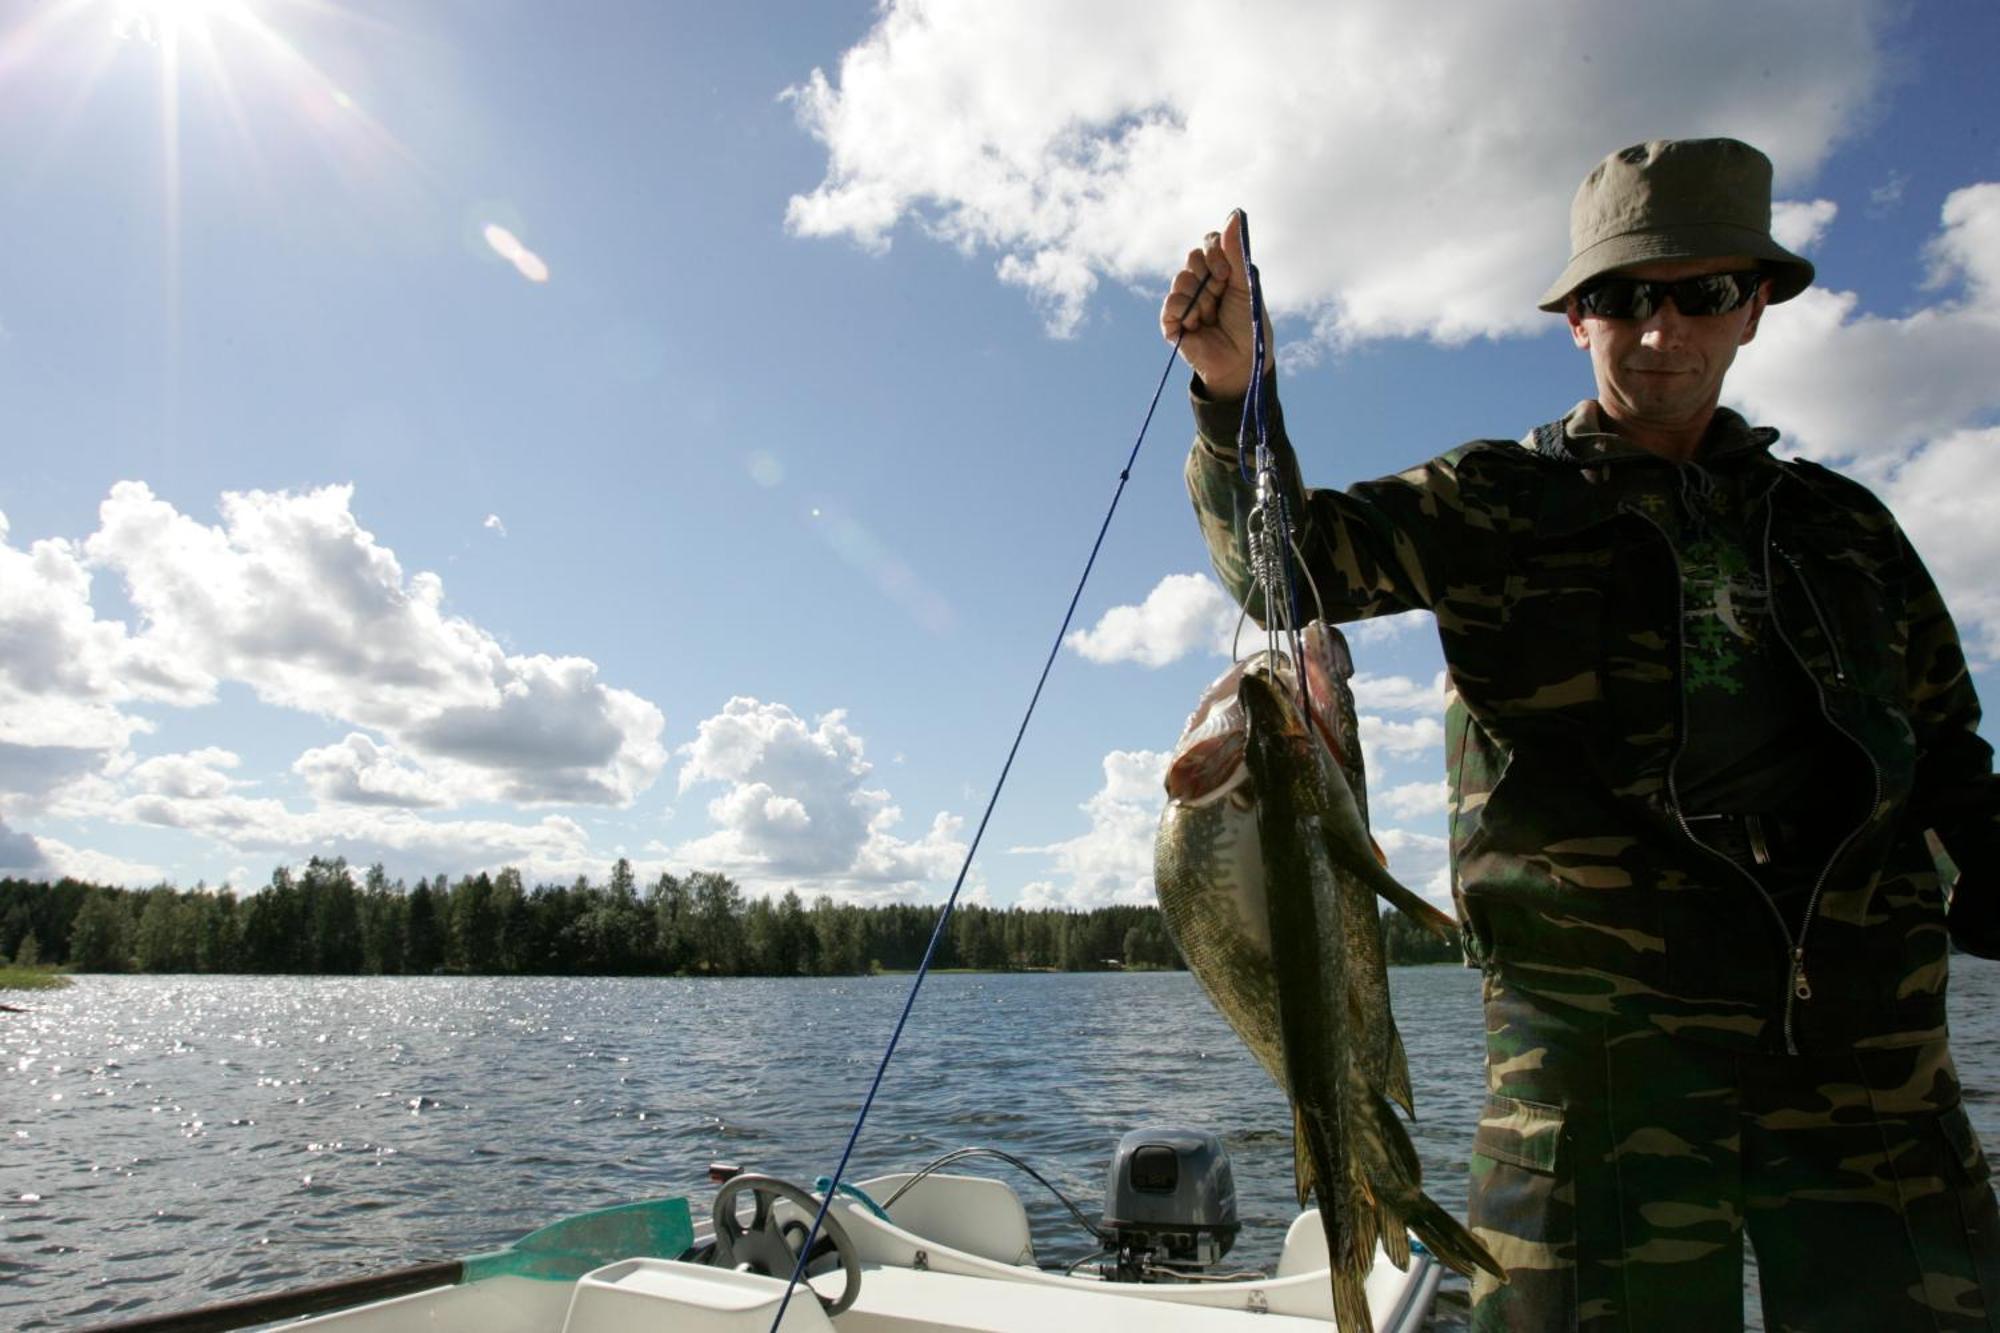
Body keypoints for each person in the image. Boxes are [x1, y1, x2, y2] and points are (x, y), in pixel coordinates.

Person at [1163, 137, 2000, 1330]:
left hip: (1867, 1055)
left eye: (1701, 293)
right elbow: (1283, 567)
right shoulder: (1493, 500)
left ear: (1752, 308)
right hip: (1594, 1055)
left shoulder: (1847, 528)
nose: (1659, 331)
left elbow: (1953, 762)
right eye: (1620, 298)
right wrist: (1232, 390)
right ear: (1572, 319)